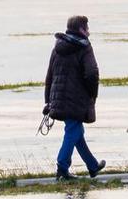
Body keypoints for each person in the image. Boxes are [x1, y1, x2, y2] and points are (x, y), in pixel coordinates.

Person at [43, 15, 105, 180]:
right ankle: (62, 168)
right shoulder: (84, 47)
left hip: (58, 99)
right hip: (77, 99)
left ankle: (92, 166)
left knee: (76, 130)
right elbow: (92, 73)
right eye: (87, 28)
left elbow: (49, 76)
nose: (89, 32)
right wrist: (92, 93)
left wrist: (48, 101)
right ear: (81, 30)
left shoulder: (57, 48)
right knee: (73, 131)